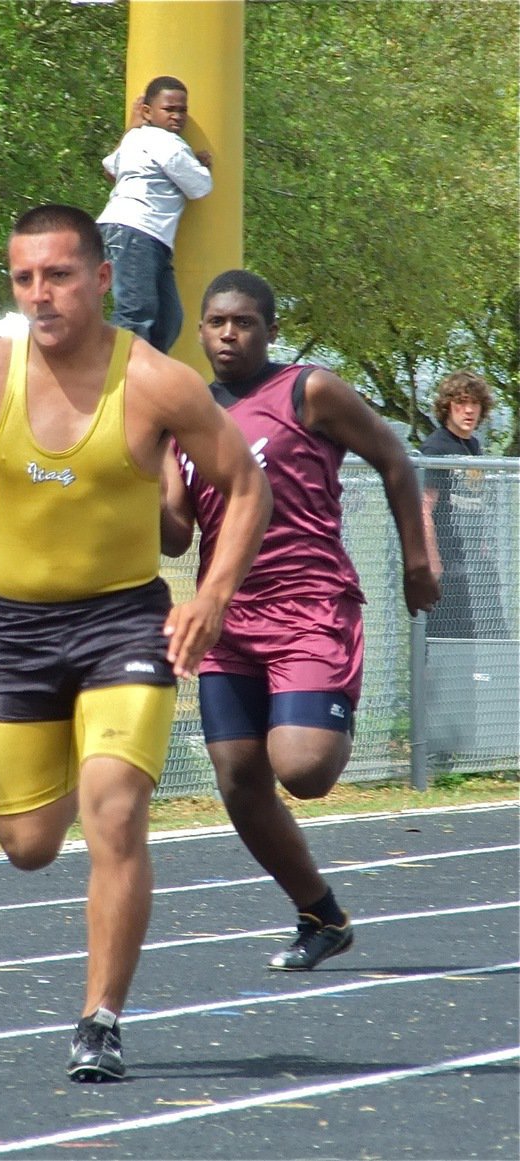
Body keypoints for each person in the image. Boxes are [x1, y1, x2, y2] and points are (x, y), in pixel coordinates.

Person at [0, 206, 271, 1082]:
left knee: (113, 808)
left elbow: (245, 486)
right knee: (28, 844)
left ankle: (100, 1016)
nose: (41, 294)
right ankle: (79, 750)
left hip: (122, 624)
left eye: (59, 275)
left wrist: (212, 594)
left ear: (102, 278)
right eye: (25, 278)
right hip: (21, 629)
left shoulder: (156, 381)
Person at [160, 269, 441, 974]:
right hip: (228, 614)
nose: (229, 333)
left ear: (270, 330)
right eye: (217, 322)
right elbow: (173, 535)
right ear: (200, 330)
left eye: (245, 322)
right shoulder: (185, 414)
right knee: (237, 777)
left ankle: (323, 707)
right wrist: (131, 472)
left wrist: (417, 557)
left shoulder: (308, 390)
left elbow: (394, 457)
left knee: (304, 770)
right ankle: (321, 911)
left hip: (310, 604)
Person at [96, 75, 212, 353]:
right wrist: (202, 166)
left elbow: (111, 169)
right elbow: (200, 186)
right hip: (136, 230)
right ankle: (116, 379)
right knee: (136, 312)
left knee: (168, 321)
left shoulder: (136, 137)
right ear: (147, 111)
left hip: (144, 236)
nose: (177, 116)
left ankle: (147, 373)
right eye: (168, 109)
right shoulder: (166, 142)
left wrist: (130, 129)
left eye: (182, 110)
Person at [419, 370, 503, 639]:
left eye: (474, 403)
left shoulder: (473, 447)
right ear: (447, 407)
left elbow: (473, 502)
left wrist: (481, 546)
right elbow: (424, 509)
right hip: (446, 567)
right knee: (442, 650)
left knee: (470, 648)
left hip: (470, 565)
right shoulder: (436, 449)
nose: (468, 411)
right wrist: (433, 563)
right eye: (461, 402)